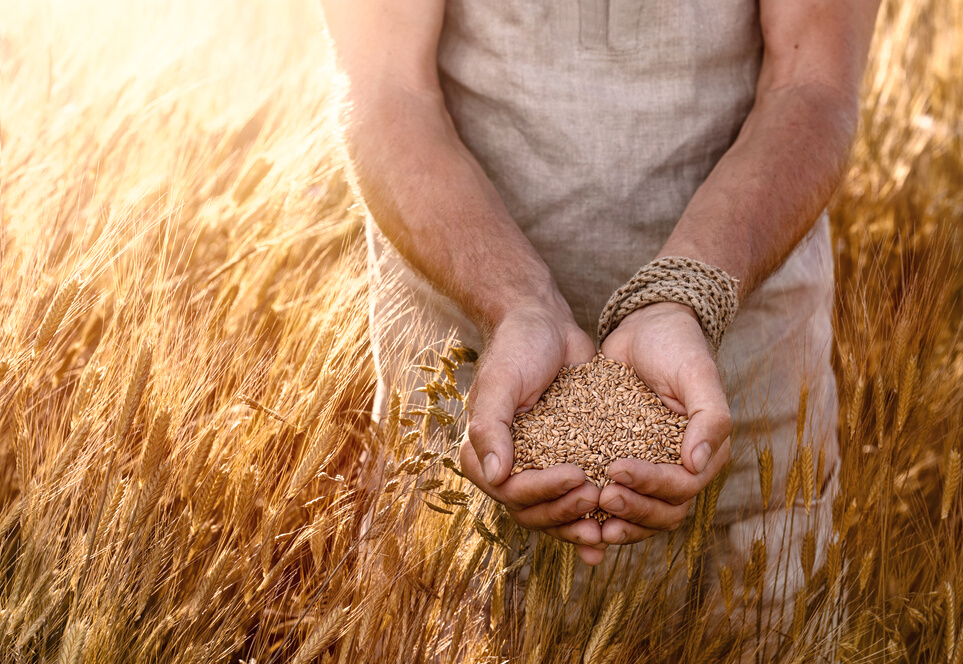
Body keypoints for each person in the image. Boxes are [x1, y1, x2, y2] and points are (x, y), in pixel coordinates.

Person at [321, 0, 879, 607]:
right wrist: (515, 301)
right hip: (460, 380)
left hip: (746, 383)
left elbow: (812, 84)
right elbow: (386, 88)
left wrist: (684, 295)